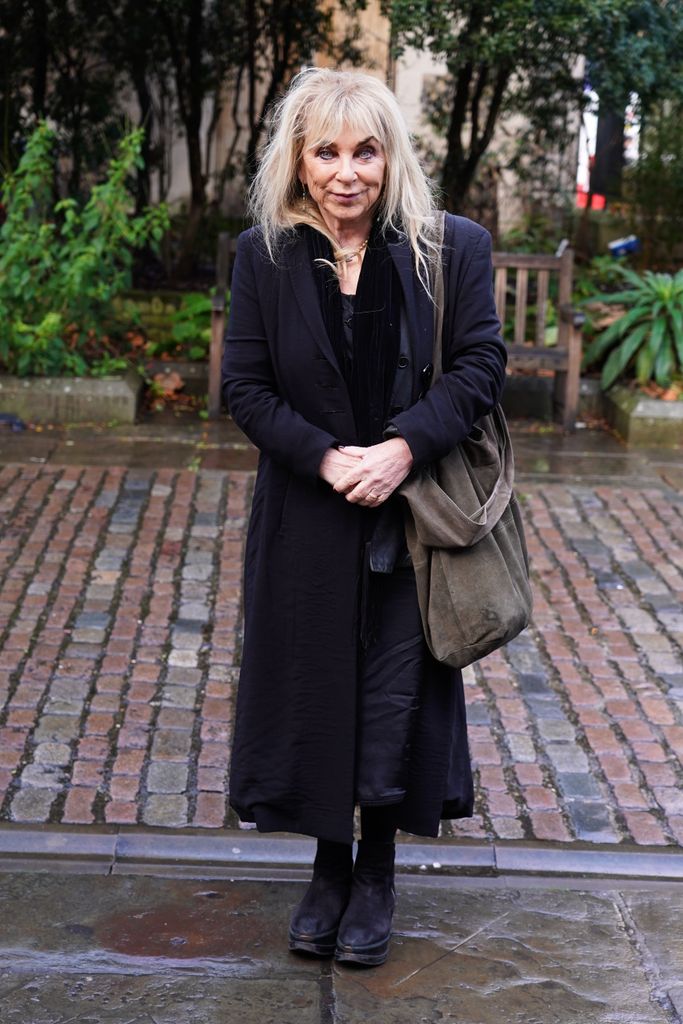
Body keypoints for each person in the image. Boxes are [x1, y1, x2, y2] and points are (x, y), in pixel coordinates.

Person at [221, 66, 506, 967]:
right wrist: (323, 455)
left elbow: (478, 366)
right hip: (307, 515)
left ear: (391, 156)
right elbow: (243, 386)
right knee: (311, 690)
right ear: (298, 161)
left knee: (393, 697)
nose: (347, 173)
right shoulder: (261, 254)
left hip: (408, 516)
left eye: (366, 151)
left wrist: (401, 448)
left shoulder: (448, 247)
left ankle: (376, 873)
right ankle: (327, 866)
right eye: (327, 152)